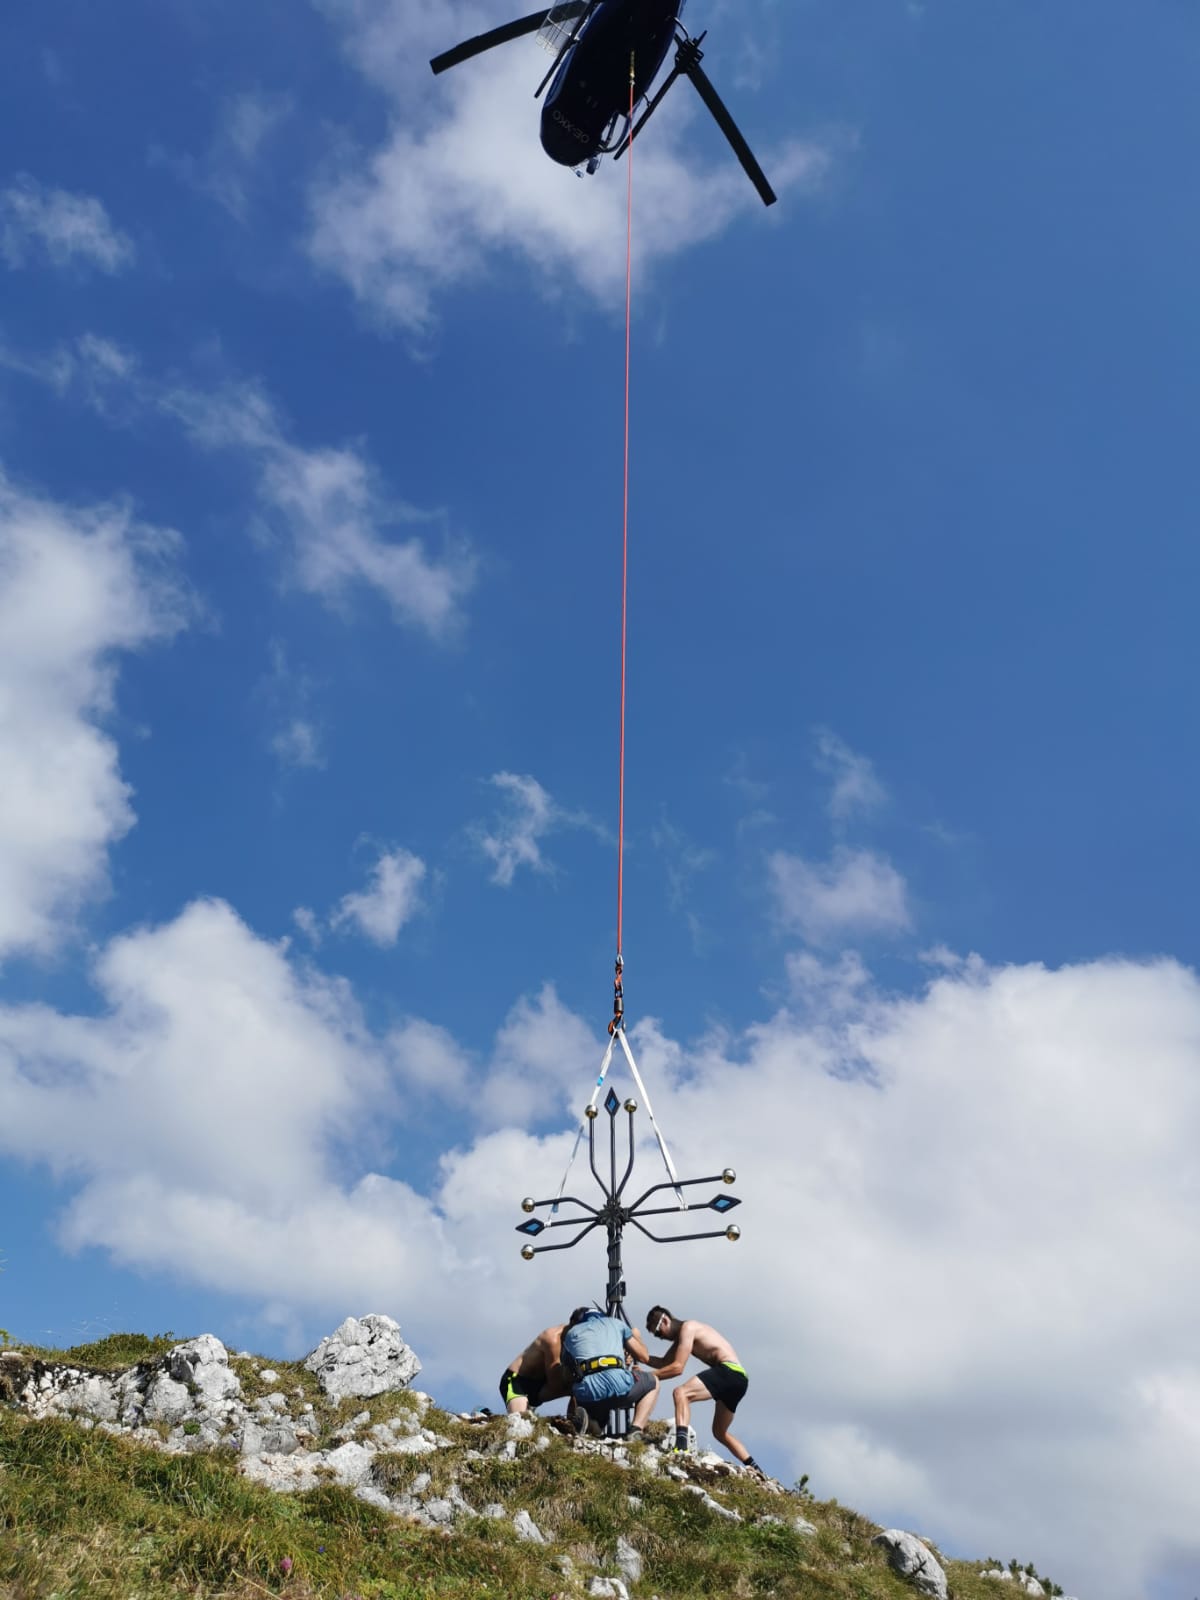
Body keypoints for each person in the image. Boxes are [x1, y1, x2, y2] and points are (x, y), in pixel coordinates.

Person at [644, 1304, 764, 1476]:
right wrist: (638, 1354)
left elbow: (677, 1368)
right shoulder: (684, 1336)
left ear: (665, 1320)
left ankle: (681, 1449)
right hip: (739, 1379)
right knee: (719, 1432)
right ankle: (756, 1470)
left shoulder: (688, 1327)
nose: (660, 1338)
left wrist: (648, 1377)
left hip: (728, 1371)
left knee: (681, 1393)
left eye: (658, 1332)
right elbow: (664, 1363)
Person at [561, 1305, 659, 1438]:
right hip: (619, 1386)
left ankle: (586, 1425)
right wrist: (637, 1336)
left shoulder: (571, 1334)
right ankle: (636, 1429)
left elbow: (566, 1377)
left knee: (594, 1408)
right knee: (653, 1382)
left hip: (587, 1395)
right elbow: (643, 1356)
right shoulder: (616, 1324)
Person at [499, 1323, 571, 1414]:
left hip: (540, 1386)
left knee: (581, 1386)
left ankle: (575, 1421)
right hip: (517, 1382)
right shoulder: (552, 1338)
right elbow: (554, 1384)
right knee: (520, 1420)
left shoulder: (580, 1340)